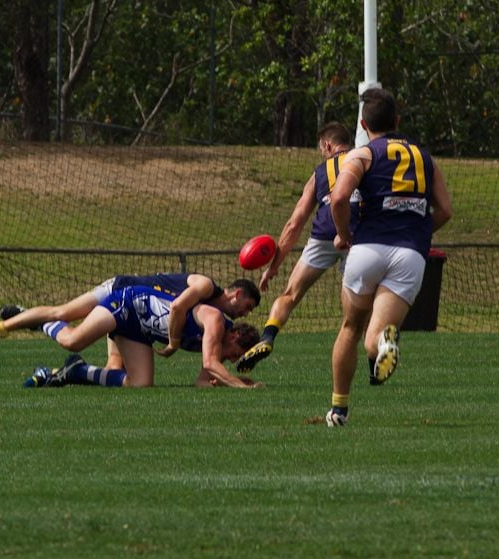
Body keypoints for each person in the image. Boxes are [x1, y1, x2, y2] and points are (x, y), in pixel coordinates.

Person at [325, 88, 453, 427]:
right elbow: (445, 210)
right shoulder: (424, 157)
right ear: (397, 121)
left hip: (368, 248)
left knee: (350, 328)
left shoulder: (362, 154)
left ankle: (339, 409)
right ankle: (385, 344)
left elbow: (338, 199)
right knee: (375, 340)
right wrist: (419, 234)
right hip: (410, 255)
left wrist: (344, 234)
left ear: (364, 124)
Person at [236, 122, 360, 374]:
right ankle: (367, 356)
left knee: (289, 295)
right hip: (357, 236)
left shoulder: (320, 172)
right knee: (356, 309)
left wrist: (272, 268)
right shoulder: (364, 160)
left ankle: (269, 337)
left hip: (323, 234)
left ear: (327, 145)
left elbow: (295, 224)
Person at [0, 273, 260, 369]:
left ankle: (69, 369)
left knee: (114, 368)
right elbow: (176, 308)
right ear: (236, 294)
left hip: (136, 318)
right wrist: (173, 342)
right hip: (120, 292)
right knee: (63, 314)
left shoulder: (216, 314)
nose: (245, 314)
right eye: (246, 306)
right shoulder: (206, 287)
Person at [23, 284, 261, 389]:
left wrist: (231, 383)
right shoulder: (216, 322)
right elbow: (210, 364)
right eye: (235, 354)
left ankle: (78, 372)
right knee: (72, 341)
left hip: (140, 330)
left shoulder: (217, 343)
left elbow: (201, 382)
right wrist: (239, 386)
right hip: (130, 304)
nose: (231, 360)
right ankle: (40, 320)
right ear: (235, 335)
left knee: (141, 384)